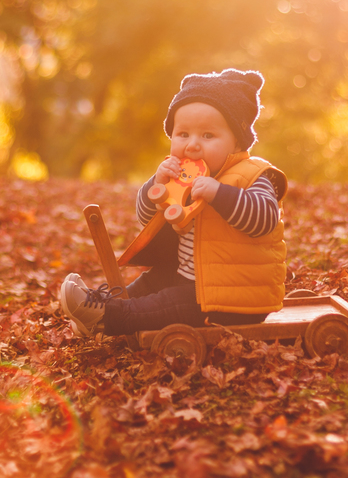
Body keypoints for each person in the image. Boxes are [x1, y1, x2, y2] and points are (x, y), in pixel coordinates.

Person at [59, 68, 288, 337]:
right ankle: (103, 304)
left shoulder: (252, 175)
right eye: (183, 134)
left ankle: (106, 317)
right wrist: (156, 186)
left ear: (237, 142)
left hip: (231, 299)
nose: (192, 145)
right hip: (190, 278)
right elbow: (148, 218)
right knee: (151, 282)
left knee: (169, 304)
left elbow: (264, 220)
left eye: (208, 136)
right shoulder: (182, 175)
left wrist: (218, 193)